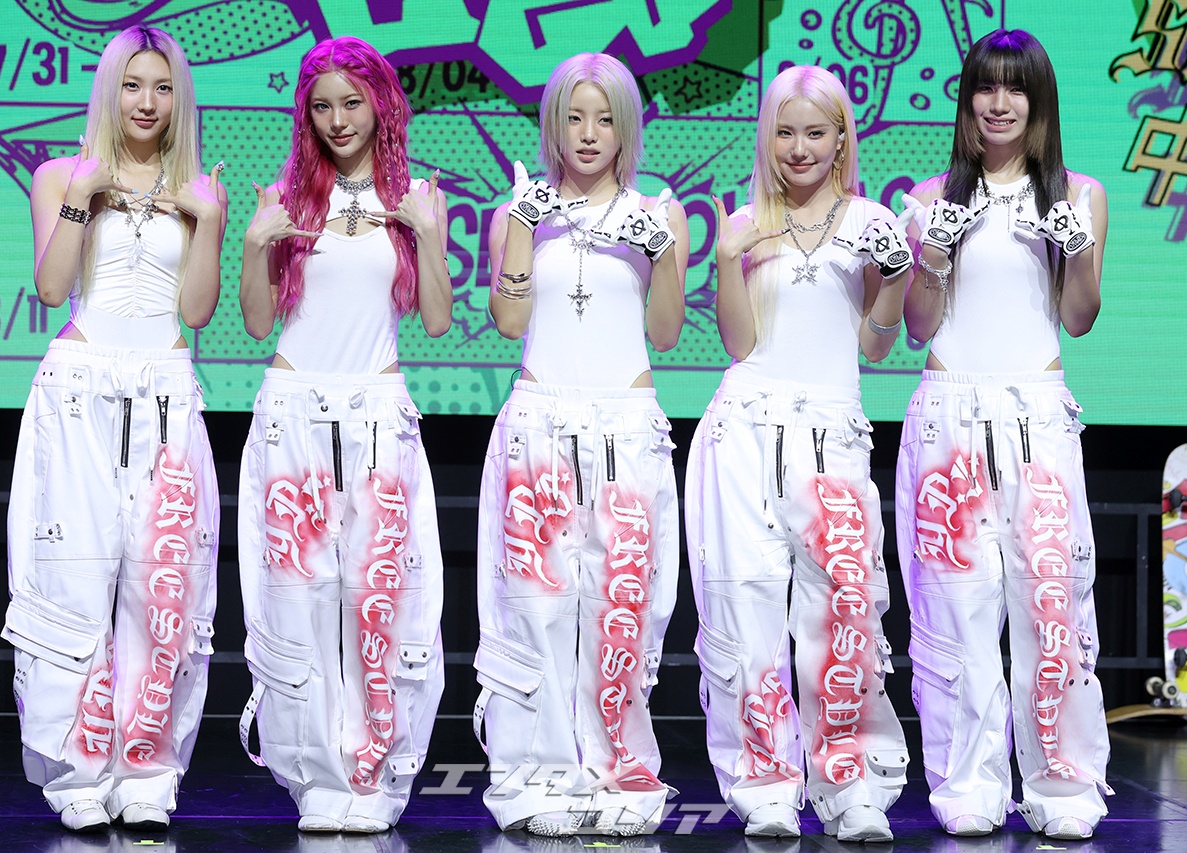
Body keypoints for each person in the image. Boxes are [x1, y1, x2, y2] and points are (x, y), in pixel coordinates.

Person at [1, 25, 226, 832]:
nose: (147, 102)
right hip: (78, 391)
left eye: (162, 87)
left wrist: (207, 220)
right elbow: (51, 284)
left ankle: (148, 772)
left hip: (165, 392)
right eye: (133, 85)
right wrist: (82, 195)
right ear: (110, 90)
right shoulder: (60, 175)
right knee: (72, 582)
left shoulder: (198, 187)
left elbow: (197, 310)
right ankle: (76, 770)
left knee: (161, 588)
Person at [684, 65, 911, 842]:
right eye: (785, 132)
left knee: (843, 610)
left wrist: (894, 277)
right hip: (745, 427)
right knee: (746, 610)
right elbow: (739, 341)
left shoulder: (871, 220)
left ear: (842, 137)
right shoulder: (748, 220)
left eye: (816, 131)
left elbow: (876, 345)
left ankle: (850, 782)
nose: (800, 147)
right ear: (767, 137)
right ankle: (765, 783)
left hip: (833, 434)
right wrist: (726, 260)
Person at [896, 28, 1110, 841]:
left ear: (1038, 100)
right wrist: (934, 251)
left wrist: (1076, 250)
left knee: (1053, 607)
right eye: (985, 87)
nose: (999, 103)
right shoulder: (929, 196)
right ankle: (968, 785)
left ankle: (1063, 785)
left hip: (1037, 419)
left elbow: (1080, 317)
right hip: (950, 418)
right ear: (967, 101)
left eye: (1015, 88)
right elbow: (919, 325)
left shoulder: (1079, 194)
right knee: (958, 614)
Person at [235, 36, 451, 834]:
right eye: (322, 106)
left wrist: (429, 234)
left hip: (378, 417)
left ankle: (375, 772)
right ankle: (316, 779)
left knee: (379, 600)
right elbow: (257, 321)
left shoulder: (416, 197)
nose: (337, 120)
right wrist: (254, 245)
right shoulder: (287, 198)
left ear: (381, 104)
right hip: (293, 408)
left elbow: (437, 319)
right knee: (299, 603)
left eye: (352, 103)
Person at [472, 52, 688, 838]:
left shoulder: (659, 213)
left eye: (604, 118)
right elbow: (507, 321)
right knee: (534, 611)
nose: (589, 133)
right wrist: (523, 228)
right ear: (553, 124)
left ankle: (619, 770)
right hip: (539, 426)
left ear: (626, 127)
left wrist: (660, 251)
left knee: (623, 609)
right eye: (574, 116)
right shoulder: (519, 210)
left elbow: (666, 331)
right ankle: (536, 774)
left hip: (626, 428)